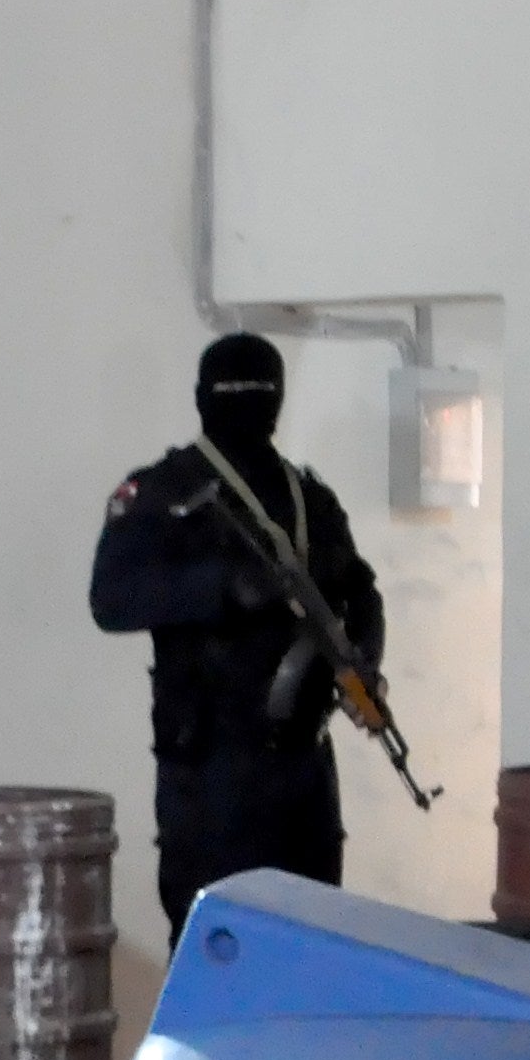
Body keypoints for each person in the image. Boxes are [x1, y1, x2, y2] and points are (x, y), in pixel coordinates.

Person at [89, 335, 385, 937]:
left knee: (311, 945)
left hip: (302, 765)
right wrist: (224, 588)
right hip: (209, 769)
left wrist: (364, 669)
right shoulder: (164, 492)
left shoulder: (310, 498)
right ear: (202, 399)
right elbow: (111, 599)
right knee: (217, 949)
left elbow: (360, 593)